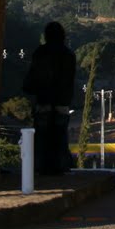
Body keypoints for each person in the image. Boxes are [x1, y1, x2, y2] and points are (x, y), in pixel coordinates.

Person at [22, 21, 78, 174]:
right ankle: (60, 165)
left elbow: (33, 76)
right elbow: (70, 79)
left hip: (43, 100)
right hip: (61, 102)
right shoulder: (68, 54)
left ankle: (41, 166)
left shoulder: (40, 53)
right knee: (60, 135)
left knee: (42, 135)